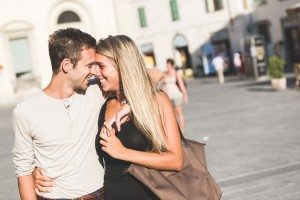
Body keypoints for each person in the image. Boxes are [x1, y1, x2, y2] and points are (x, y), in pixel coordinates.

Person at [12, 28, 130, 200]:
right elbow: (23, 172)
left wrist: (130, 105)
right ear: (66, 65)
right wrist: (33, 172)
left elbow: (151, 75)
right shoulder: (25, 111)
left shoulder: (96, 89)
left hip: (101, 194)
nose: (95, 71)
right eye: (89, 65)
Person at [95, 35, 183, 200]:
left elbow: (176, 160)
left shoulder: (156, 100)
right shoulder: (104, 101)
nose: (95, 72)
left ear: (121, 65)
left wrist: (123, 152)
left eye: (101, 66)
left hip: (148, 194)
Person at [163, 58, 188, 132]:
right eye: (166, 65)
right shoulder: (165, 74)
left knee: (179, 113)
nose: (167, 66)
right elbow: (164, 86)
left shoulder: (176, 74)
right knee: (173, 114)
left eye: (168, 65)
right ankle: (177, 131)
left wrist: (185, 95)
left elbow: (181, 85)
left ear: (171, 65)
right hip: (169, 97)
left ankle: (182, 130)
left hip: (177, 95)